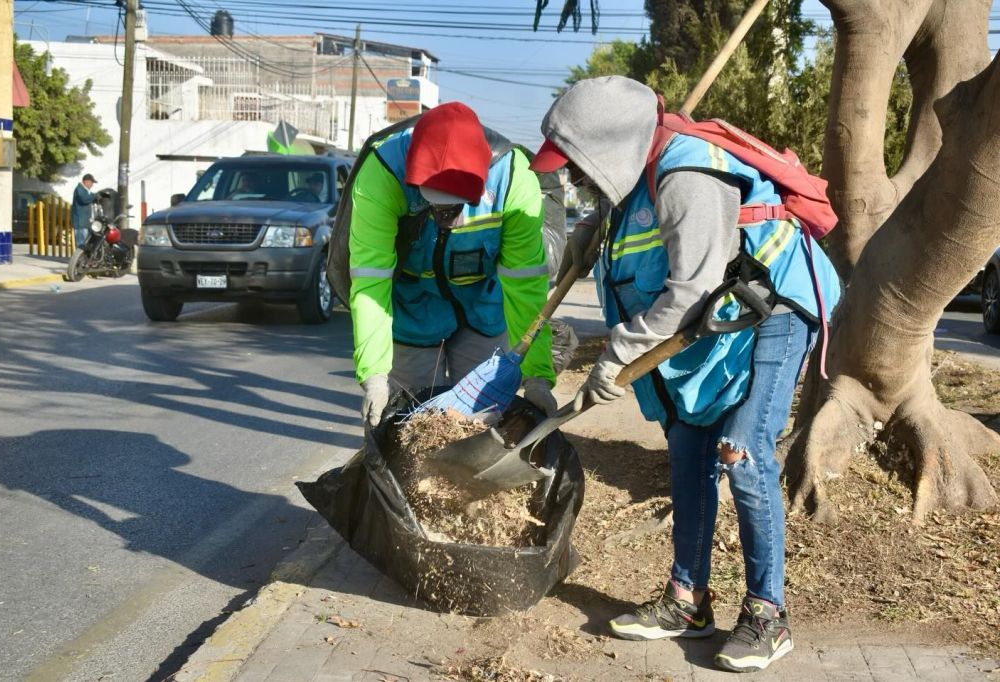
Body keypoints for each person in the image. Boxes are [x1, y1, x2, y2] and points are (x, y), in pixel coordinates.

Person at [530, 76, 840, 673]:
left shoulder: (685, 179)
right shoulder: (633, 173)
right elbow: (656, 255)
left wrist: (616, 355)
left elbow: (692, 289)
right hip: (727, 313)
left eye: (575, 163)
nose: (570, 177)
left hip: (776, 306)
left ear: (609, 145)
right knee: (688, 446)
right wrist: (589, 233)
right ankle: (687, 601)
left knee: (741, 449)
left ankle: (768, 615)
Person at [348, 101, 557, 427]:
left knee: (478, 425)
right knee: (407, 425)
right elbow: (371, 279)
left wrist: (537, 376)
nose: (442, 218)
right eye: (434, 206)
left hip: (484, 313)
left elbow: (525, 285)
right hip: (412, 315)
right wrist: (374, 374)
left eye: (452, 208)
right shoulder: (383, 172)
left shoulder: (513, 178)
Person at [70, 173, 96, 246]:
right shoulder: (80, 189)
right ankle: (80, 257)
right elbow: (84, 199)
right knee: (81, 244)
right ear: (86, 181)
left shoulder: (84, 190)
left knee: (85, 243)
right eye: (91, 182)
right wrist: (95, 196)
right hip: (80, 222)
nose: (92, 185)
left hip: (84, 222)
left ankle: (83, 256)